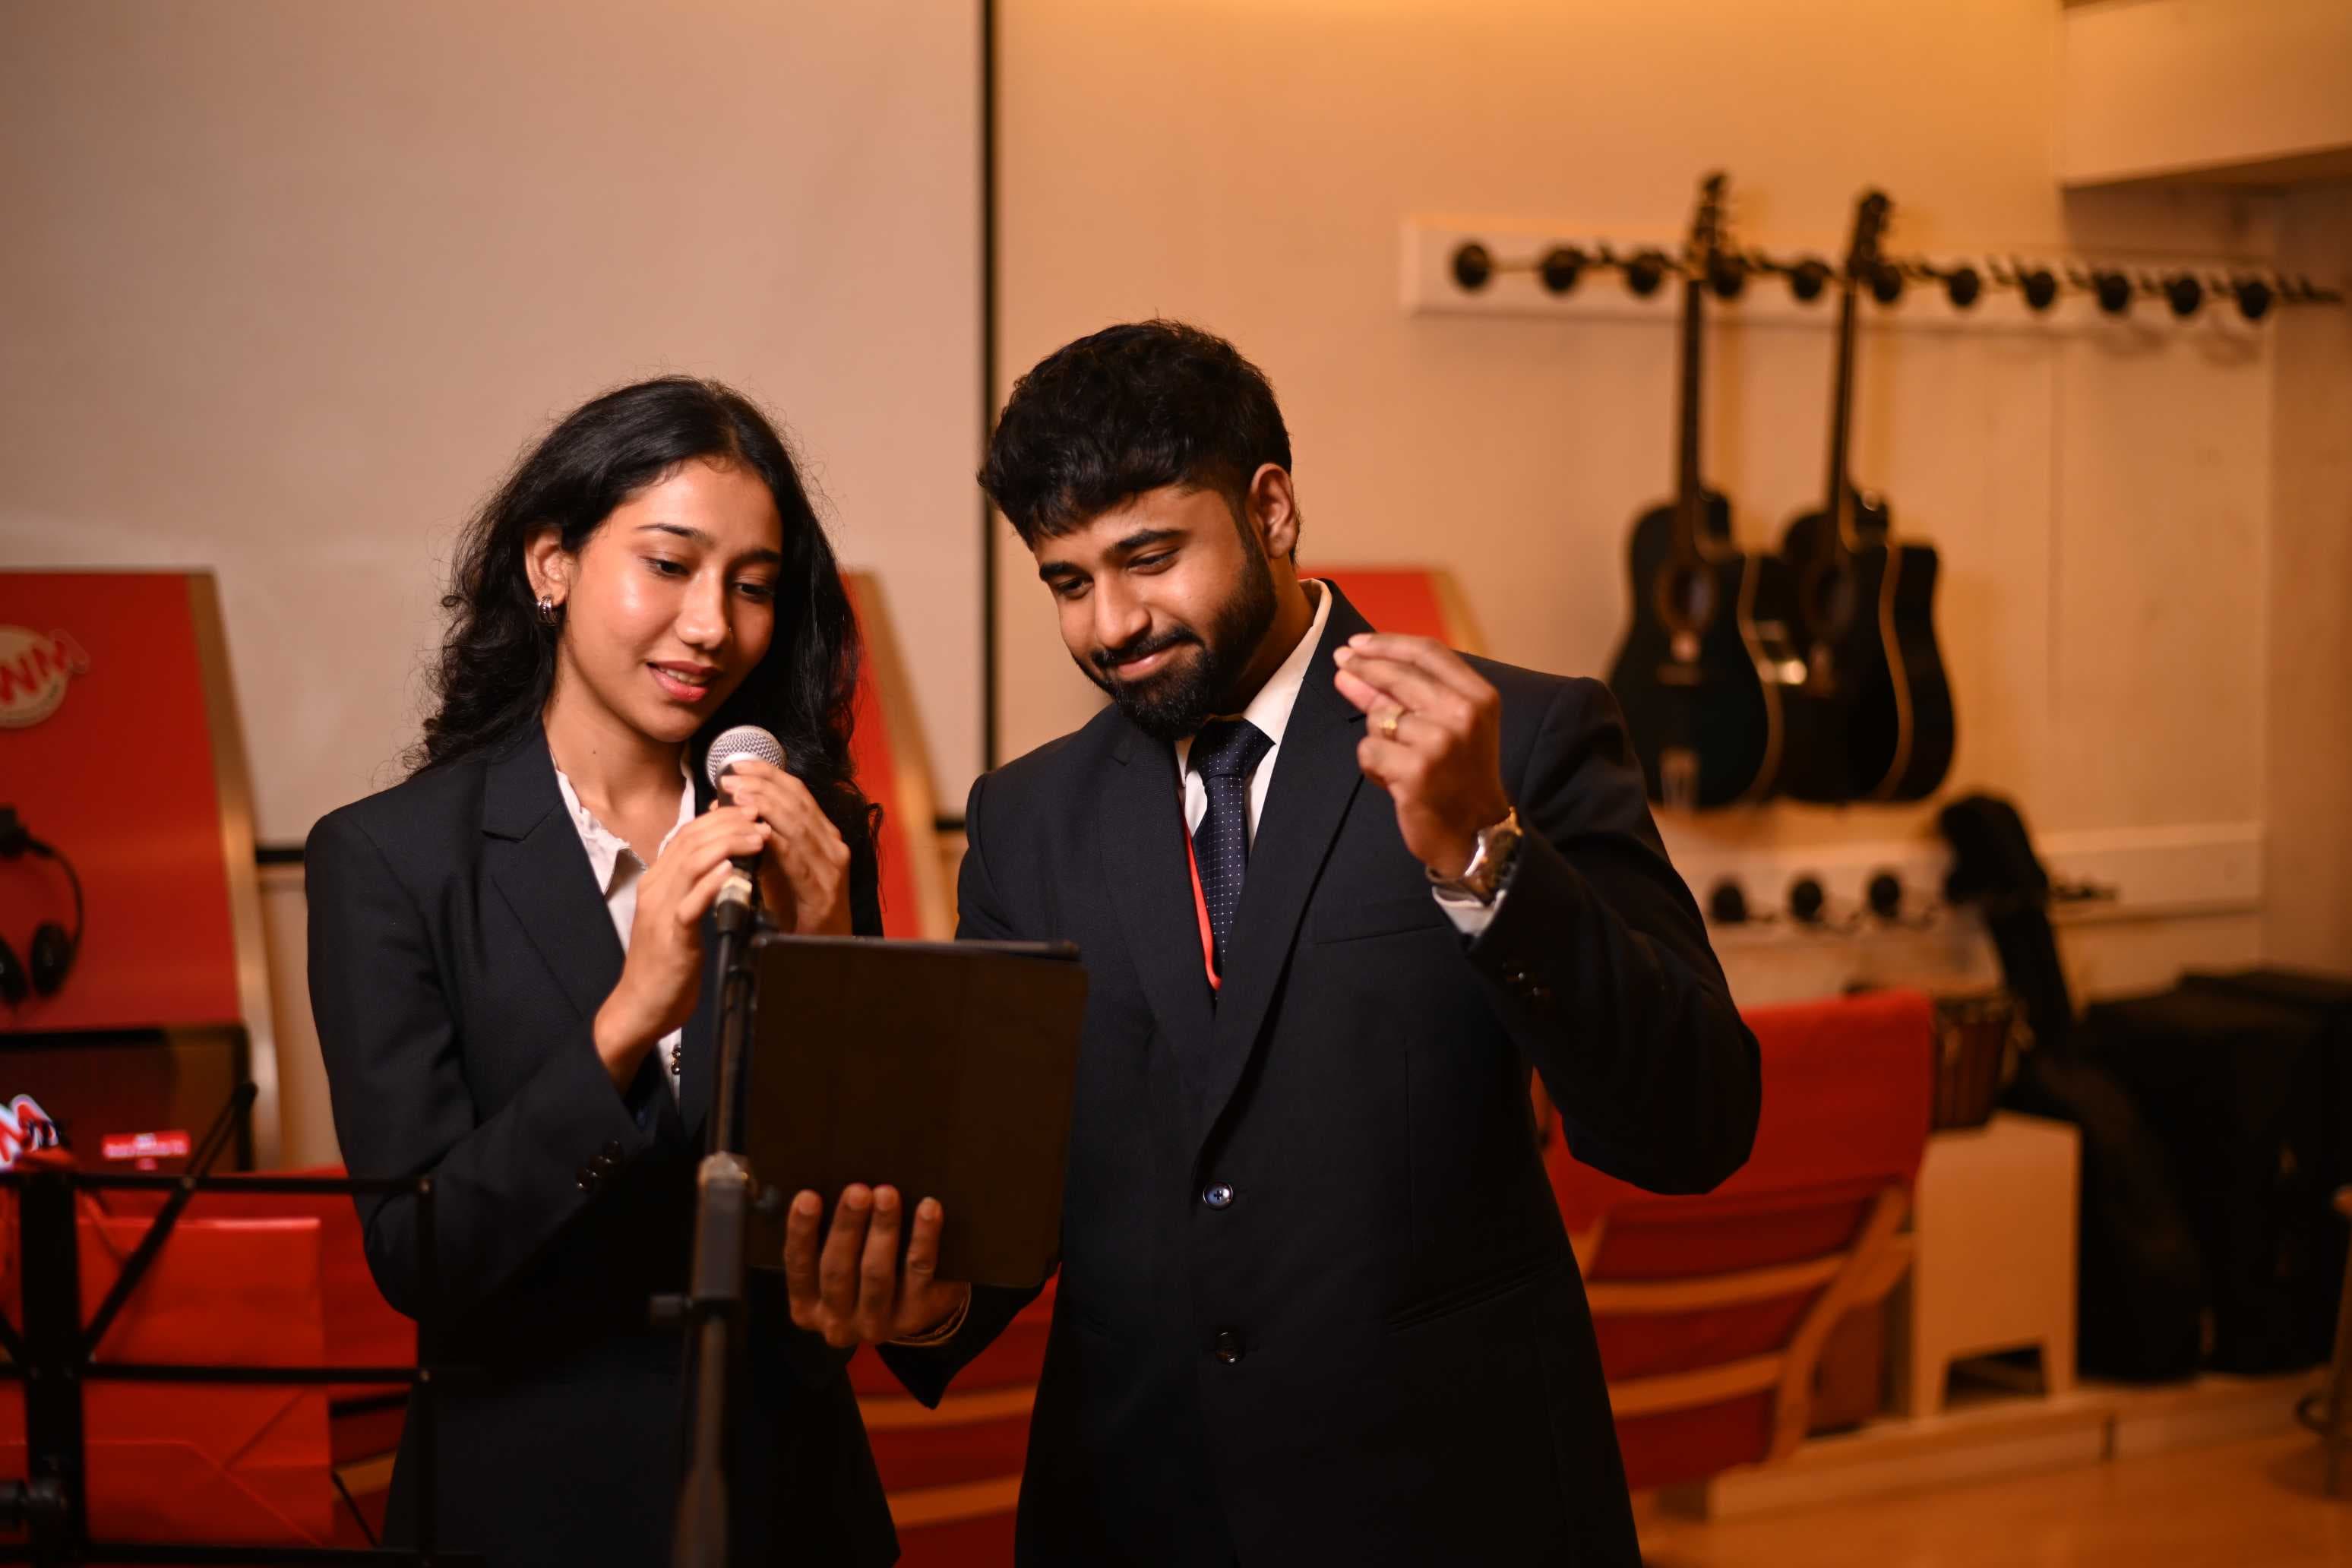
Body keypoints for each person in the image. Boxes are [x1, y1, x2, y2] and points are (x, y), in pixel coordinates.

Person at [878, 321, 1762, 1565]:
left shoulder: (1524, 737)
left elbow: (1693, 1122)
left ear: (1272, 509)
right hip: (1134, 1518)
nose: (1112, 623)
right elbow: (1011, 1200)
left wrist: (1486, 858)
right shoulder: (1025, 824)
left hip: (1455, 1510)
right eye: (1068, 582)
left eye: (1148, 557)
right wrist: (930, 1310)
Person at [305, 376, 965, 1566]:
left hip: (788, 1500)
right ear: (549, 563)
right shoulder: (390, 859)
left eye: (753, 587)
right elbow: (421, 1257)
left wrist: (834, 966)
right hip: (522, 1505)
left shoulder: (805, 834)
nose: (713, 625)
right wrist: (624, 1024)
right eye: (670, 565)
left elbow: (873, 1208)